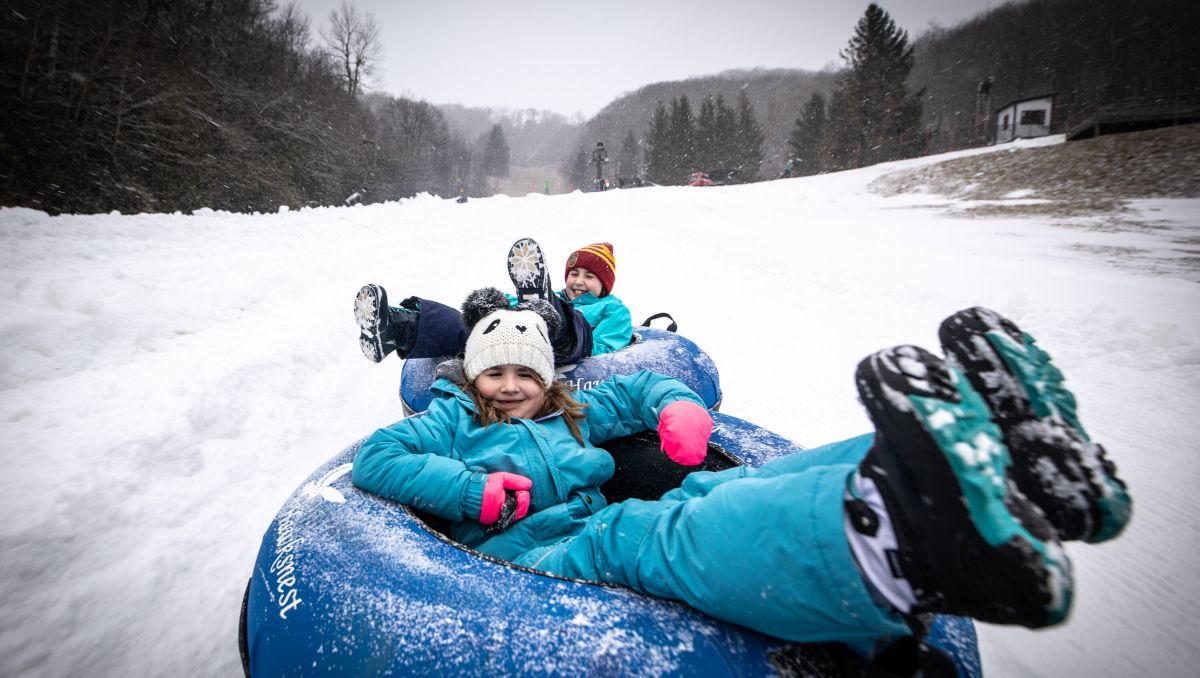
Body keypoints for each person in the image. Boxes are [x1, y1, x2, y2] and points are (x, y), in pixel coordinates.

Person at [352, 300, 1132, 654]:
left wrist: (677, 405)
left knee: (721, 489)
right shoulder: (453, 421)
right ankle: (887, 539)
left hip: (585, 530)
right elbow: (376, 459)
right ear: (475, 379)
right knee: (653, 532)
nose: (512, 385)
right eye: (497, 374)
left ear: (549, 375)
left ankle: (999, 476)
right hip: (526, 560)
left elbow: (637, 390)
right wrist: (468, 491)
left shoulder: (573, 409)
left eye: (528, 370)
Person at [355, 239, 632, 368]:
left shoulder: (613, 309)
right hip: (515, 338)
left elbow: (606, 350)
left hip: (564, 349)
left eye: (589, 276)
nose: (579, 281)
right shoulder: (561, 294)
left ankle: (542, 309)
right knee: (464, 327)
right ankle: (394, 328)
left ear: (605, 284)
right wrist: (494, 308)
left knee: (563, 321)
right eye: (574, 274)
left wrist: (557, 318)